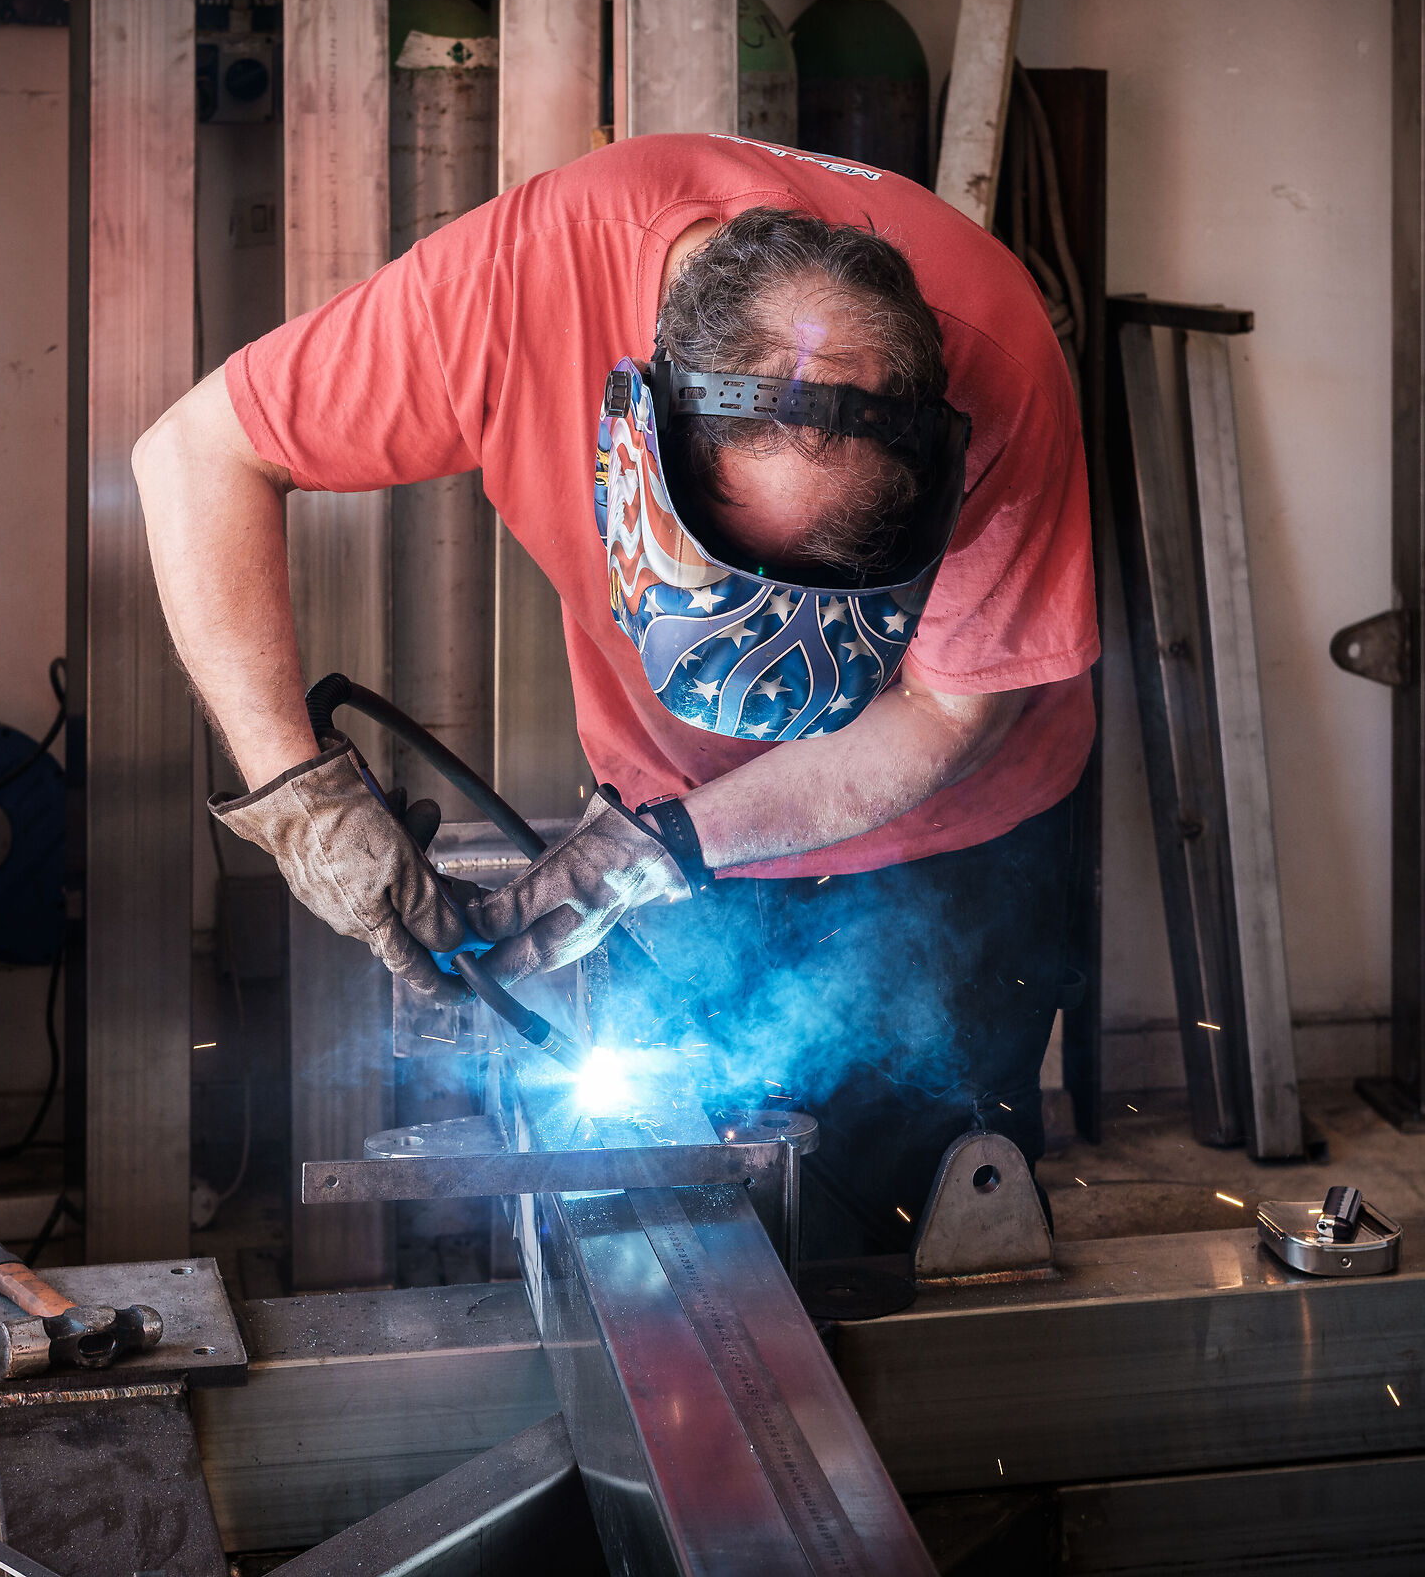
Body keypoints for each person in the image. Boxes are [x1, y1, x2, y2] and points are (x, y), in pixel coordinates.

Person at [135, 133, 1097, 1256]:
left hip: (943, 857)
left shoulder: (999, 353)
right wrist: (299, 798)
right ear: (637, 431)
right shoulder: (520, 288)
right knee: (678, 1261)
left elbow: (946, 711)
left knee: (924, 1247)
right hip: (662, 844)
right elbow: (199, 452)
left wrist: (657, 849)